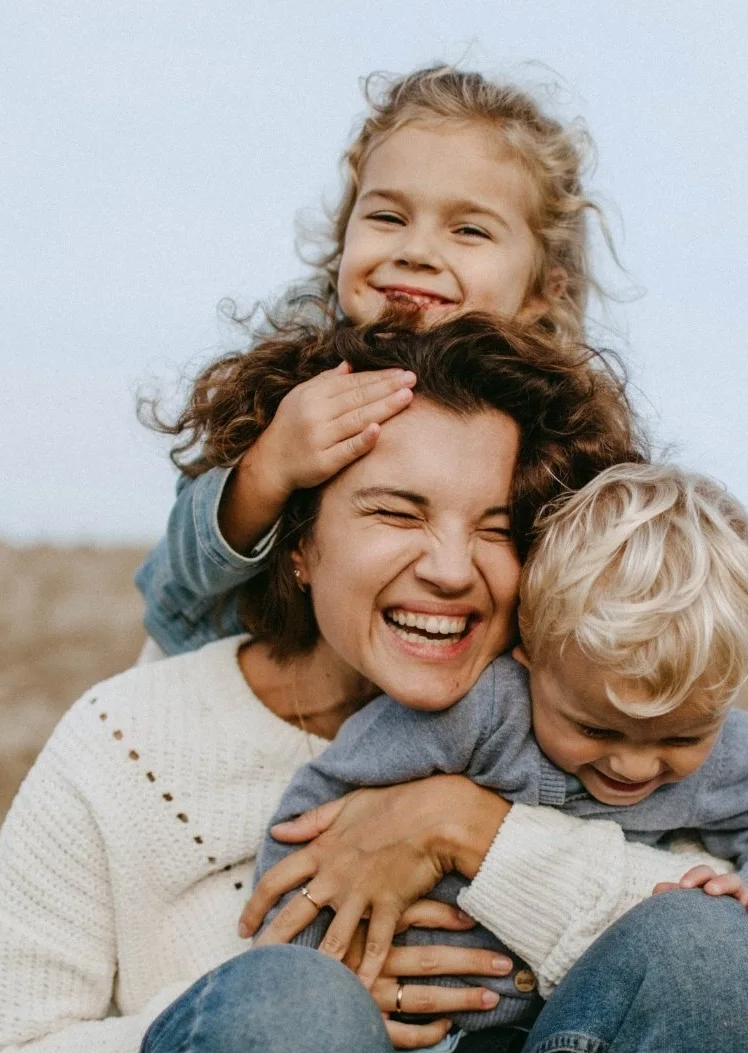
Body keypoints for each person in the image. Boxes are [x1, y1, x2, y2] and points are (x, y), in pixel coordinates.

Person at [0, 316, 748, 1053]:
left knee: (714, 955)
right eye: (396, 512)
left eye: (497, 529)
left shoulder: (604, 722)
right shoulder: (129, 738)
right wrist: (255, 1009)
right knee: (292, 1011)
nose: (453, 570)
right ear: (301, 543)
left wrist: (473, 831)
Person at [255, 463, 748, 1053]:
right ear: (530, 646)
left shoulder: (726, 754)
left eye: (680, 739)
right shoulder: (478, 711)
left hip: (568, 1035)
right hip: (405, 1043)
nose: (635, 767)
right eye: (594, 728)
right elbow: (320, 815)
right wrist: (319, 969)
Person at [136, 65, 613, 656]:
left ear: (544, 291)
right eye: (387, 217)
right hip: (232, 670)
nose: (415, 251)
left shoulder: (551, 421)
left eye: (468, 230)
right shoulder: (295, 365)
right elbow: (177, 574)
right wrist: (271, 464)